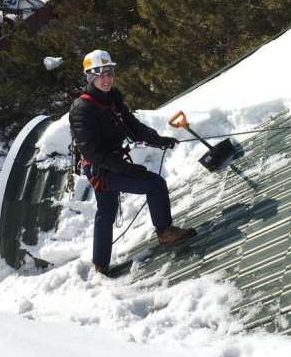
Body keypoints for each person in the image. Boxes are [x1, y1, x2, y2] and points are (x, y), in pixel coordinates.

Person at [69, 49, 196, 275]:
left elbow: (131, 125)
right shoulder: (82, 109)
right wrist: (127, 169)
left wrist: (158, 140)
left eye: (110, 73)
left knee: (106, 211)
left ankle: (100, 264)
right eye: (101, 74)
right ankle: (165, 233)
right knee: (154, 184)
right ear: (90, 76)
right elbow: (93, 151)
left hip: (111, 163)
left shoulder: (112, 99)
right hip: (102, 168)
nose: (107, 79)